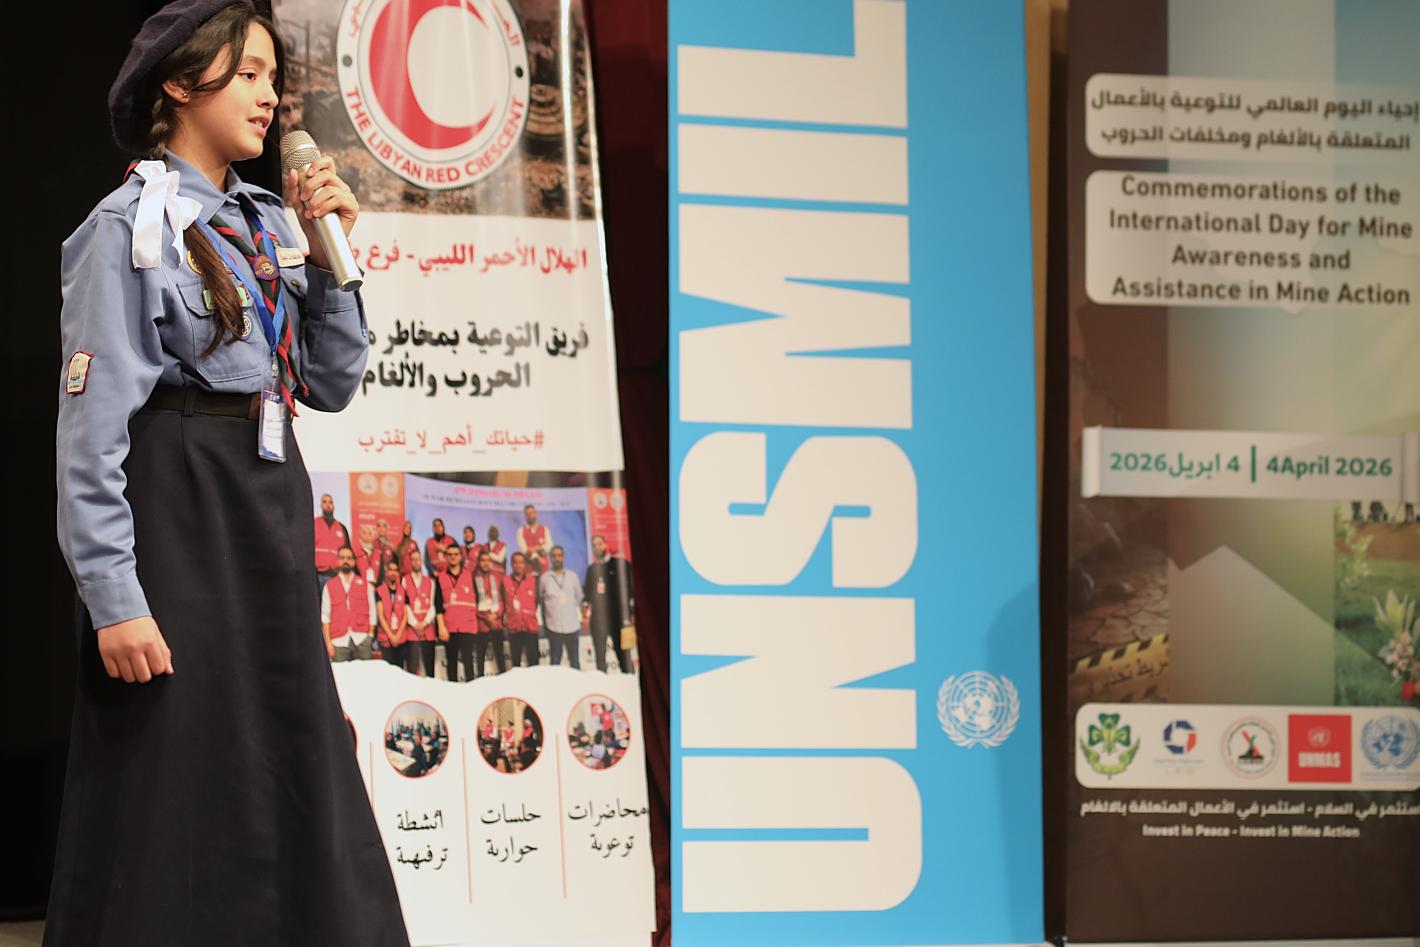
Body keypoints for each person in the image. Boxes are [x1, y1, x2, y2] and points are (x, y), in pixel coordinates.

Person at [49, 2, 409, 943]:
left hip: (266, 498)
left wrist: (331, 255)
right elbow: (92, 433)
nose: (268, 93)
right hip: (182, 500)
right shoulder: (125, 227)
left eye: (270, 74)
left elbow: (330, 382)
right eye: (244, 72)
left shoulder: (269, 221)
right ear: (179, 83)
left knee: (289, 743)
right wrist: (113, 598)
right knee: (178, 762)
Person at [584, 534, 634, 672]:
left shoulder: (621, 564)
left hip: (620, 619)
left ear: (605, 544)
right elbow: (587, 595)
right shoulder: (591, 569)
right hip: (598, 621)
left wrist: (631, 614)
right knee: (600, 660)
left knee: (624, 657)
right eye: (594, 545)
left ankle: (629, 686)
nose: (597, 547)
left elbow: (632, 591)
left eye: (599, 543)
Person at [435, 544, 479, 681]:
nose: (453, 557)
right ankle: (452, 696)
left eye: (455, 554)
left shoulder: (470, 576)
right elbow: (438, 605)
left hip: (467, 627)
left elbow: (476, 600)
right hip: (450, 627)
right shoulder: (440, 577)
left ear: (460, 557)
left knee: (469, 663)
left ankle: (472, 694)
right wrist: (442, 627)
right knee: (452, 663)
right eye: (450, 554)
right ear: (446, 557)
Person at [323, 546, 375, 661]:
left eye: (349, 558)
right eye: (342, 558)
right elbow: (325, 617)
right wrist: (328, 643)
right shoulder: (329, 586)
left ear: (353, 561)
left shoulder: (365, 584)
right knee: (341, 678)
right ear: (338, 560)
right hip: (338, 642)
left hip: (362, 640)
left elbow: (372, 610)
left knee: (364, 678)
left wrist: (370, 636)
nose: (345, 561)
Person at [539, 545, 584, 669]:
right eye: (554, 556)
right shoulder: (544, 578)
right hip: (553, 627)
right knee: (555, 663)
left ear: (563, 558)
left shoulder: (572, 576)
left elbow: (579, 597)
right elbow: (541, 599)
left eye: (559, 555)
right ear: (550, 558)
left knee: (575, 662)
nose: (557, 558)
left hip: (572, 626)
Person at [402, 547, 437, 677]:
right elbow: (405, 605)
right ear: (410, 562)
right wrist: (416, 624)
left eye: (418, 559)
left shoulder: (430, 582)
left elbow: (433, 606)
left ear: (421, 561)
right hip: (412, 630)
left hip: (428, 630)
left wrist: (425, 623)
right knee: (412, 669)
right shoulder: (404, 580)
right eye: (413, 560)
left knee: (429, 670)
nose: (416, 562)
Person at [473, 549, 509, 677]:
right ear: (478, 562)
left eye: (488, 560)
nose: (485, 563)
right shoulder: (473, 578)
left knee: (500, 654)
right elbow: (473, 600)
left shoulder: (498, 577)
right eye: (482, 561)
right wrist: (486, 617)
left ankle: (504, 682)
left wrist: (496, 615)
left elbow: (502, 598)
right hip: (482, 623)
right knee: (480, 654)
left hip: (496, 622)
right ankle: (480, 682)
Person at [504, 551, 540, 667]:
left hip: (530, 628)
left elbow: (536, 601)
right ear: (511, 564)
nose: (518, 565)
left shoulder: (532, 580)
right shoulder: (505, 581)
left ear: (525, 565)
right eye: (515, 562)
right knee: (516, 665)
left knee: (534, 663)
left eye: (521, 562)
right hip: (514, 628)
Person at [313, 492, 350, 599]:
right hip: (317, 575)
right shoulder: (314, 524)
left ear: (334, 505)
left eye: (330, 502)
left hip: (336, 575)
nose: (328, 505)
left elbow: (347, 552)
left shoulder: (342, 528)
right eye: (324, 502)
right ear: (321, 505)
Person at [374, 560, 408, 669]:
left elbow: (405, 616)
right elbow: (380, 616)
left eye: (395, 570)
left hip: (400, 638)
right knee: (387, 671)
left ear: (398, 573)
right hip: (386, 638)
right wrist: (391, 636)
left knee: (400, 670)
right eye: (390, 570)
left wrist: (397, 636)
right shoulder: (379, 590)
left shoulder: (403, 591)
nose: (393, 573)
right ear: (386, 572)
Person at [518, 504, 552, 574]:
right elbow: (524, 551)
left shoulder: (545, 529)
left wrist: (535, 548)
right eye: (527, 514)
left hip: (544, 569)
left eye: (531, 513)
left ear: (535, 514)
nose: (529, 516)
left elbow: (549, 546)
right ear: (525, 517)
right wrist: (537, 557)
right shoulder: (520, 531)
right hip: (528, 570)